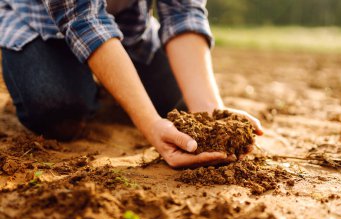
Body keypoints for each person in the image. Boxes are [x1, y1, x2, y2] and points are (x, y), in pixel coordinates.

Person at [0, 0, 263, 167]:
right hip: (40, 24)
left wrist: (212, 114)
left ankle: (108, 88)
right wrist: (148, 122)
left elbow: (184, 13)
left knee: (178, 102)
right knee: (58, 111)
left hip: (129, 29)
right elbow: (84, 19)